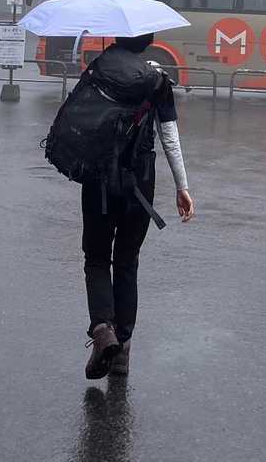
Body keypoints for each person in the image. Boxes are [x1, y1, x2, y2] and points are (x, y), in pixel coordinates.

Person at [81, 32, 195, 379]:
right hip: (140, 185)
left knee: (97, 257)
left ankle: (103, 329)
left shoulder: (98, 69)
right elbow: (170, 138)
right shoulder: (158, 80)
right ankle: (123, 351)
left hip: (99, 180)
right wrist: (182, 187)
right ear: (149, 41)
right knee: (127, 262)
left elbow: (81, 119)